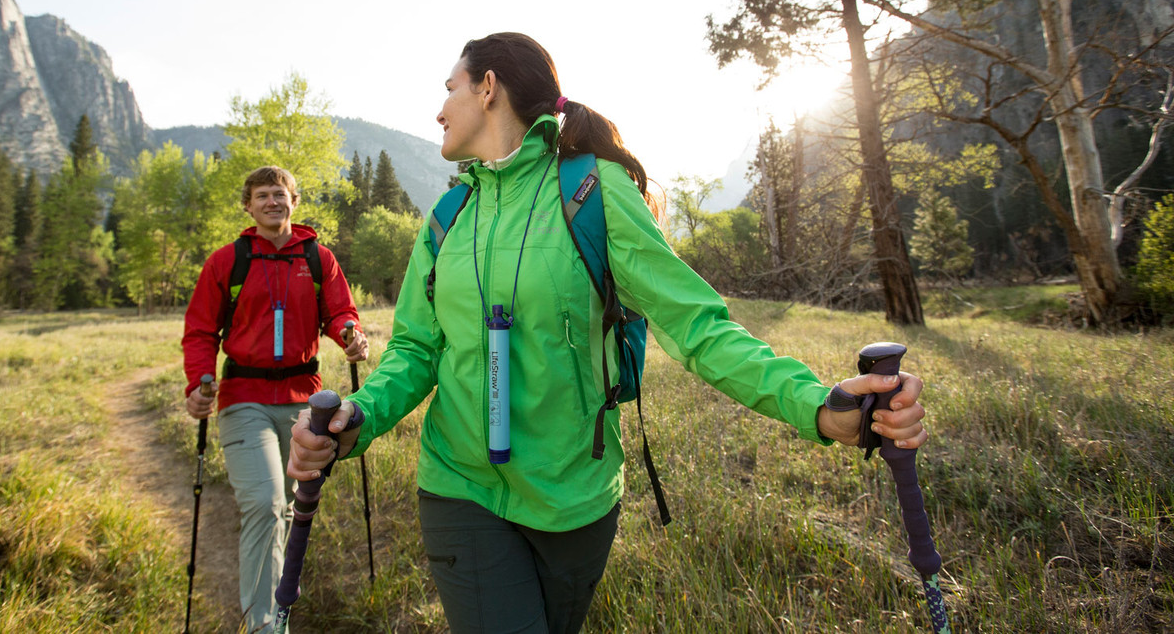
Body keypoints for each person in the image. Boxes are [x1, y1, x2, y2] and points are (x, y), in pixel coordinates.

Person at [286, 33, 928, 634]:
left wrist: (815, 406)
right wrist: (359, 416)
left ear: (488, 88)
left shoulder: (593, 191)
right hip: (459, 487)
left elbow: (698, 327)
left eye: (448, 88)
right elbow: (414, 350)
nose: (438, 110)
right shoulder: (448, 217)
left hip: (577, 497)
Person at [182, 165, 368, 632]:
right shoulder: (228, 261)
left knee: (289, 505)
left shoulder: (318, 258)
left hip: (305, 400)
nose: (272, 201)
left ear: (294, 201)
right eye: (262, 195)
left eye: (279, 194)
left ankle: (275, 604)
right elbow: (201, 330)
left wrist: (350, 333)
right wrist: (197, 383)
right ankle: (266, 626)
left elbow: (340, 312)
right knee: (266, 505)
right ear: (248, 206)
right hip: (244, 398)